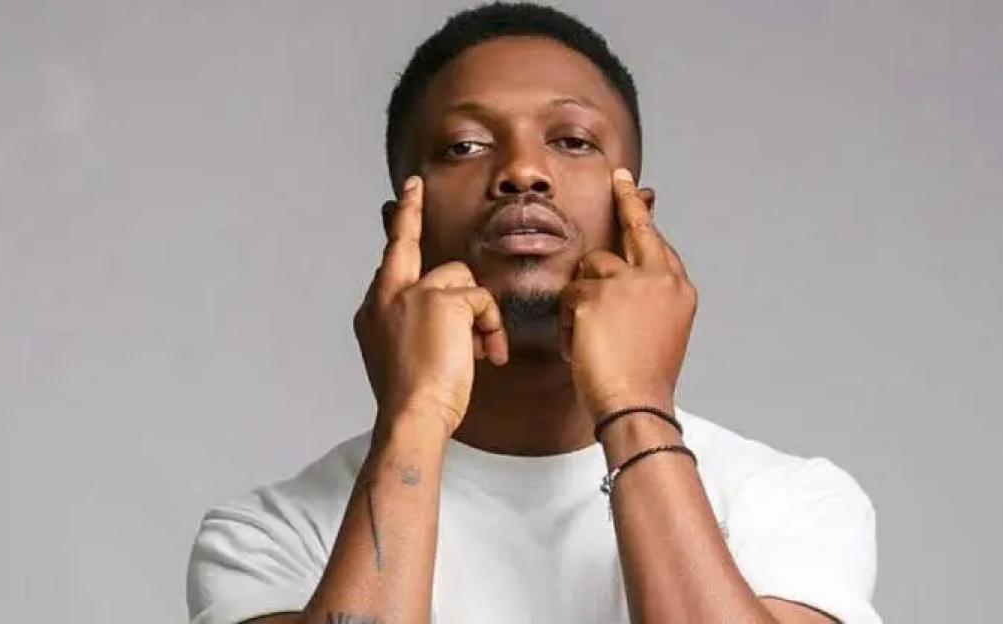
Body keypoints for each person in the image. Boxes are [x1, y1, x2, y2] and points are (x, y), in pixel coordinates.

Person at [186, 4, 880, 623]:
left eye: (572, 140)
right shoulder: (268, 536)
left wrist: (635, 407)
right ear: (404, 228)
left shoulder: (788, 504)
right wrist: (416, 417)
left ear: (638, 218)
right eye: (465, 145)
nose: (522, 171)